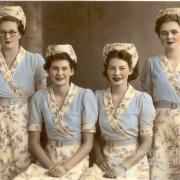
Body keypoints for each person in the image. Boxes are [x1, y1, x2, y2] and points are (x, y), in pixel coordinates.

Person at [13, 44, 98, 179]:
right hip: (48, 159)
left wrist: (65, 168)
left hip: (76, 160)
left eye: (64, 68)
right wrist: (52, 167)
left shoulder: (85, 96)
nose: (59, 73)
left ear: (72, 71)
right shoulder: (39, 97)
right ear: (48, 70)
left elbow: (88, 143)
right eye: (55, 68)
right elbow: (33, 143)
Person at [80, 43, 156, 180]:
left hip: (133, 161)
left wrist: (123, 167)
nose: (117, 73)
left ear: (130, 70)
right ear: (106, 70)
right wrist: (99, 157)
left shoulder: (142, 99)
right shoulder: (97, 97)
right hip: (106, 160)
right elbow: (93, 135)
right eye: (112, 68)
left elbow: (146, 143)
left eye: (122, 68)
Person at [0, 6, 47, 180]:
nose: (7, 37)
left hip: (26, 123)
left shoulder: (34, 61)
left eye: (12, 32)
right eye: (2, 32)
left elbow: (42, 98)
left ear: (20, 33)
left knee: (24, 171)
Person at [140, 8, 180, 180]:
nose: (169, 37)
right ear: (159, 36)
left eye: (174, 32)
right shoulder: (152, 63)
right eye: (164, 33)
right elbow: (147, 95)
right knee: (160, 172)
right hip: (161, 124)